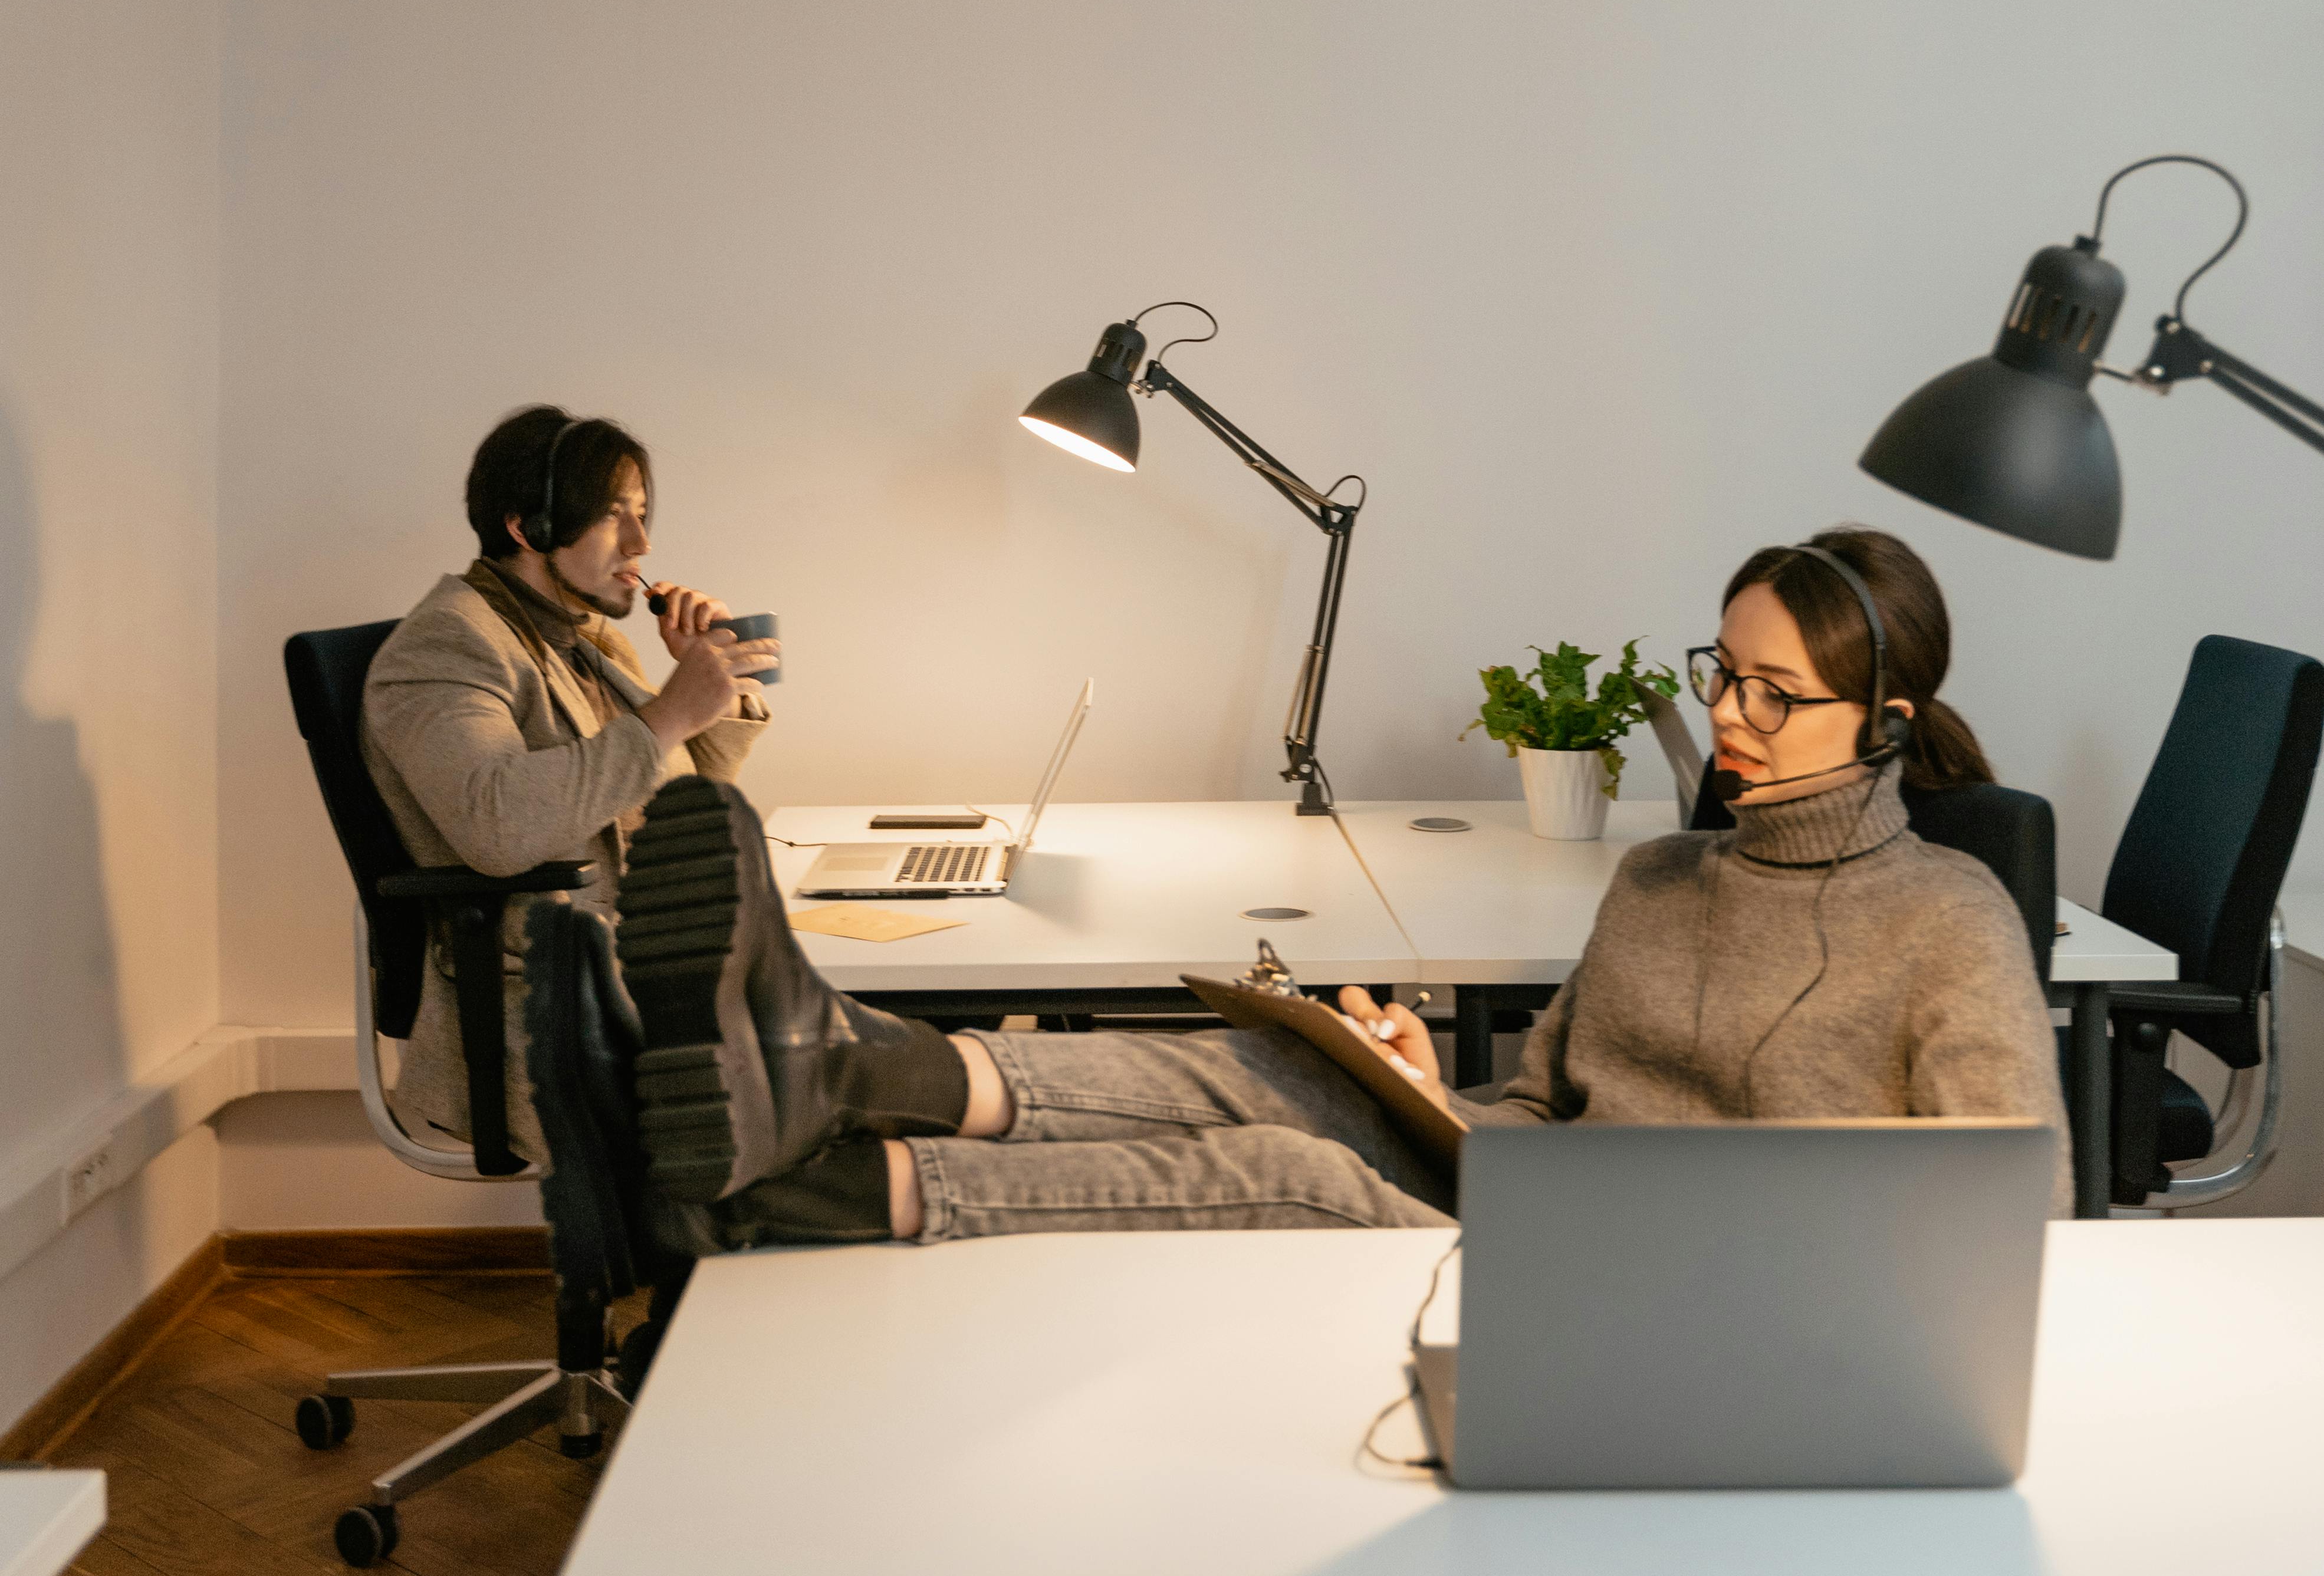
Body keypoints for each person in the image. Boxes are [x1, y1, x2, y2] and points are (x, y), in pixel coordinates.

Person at [583, 522, 2068, 1256]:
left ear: (1882, 721)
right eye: (1720, 675)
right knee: (1276, 1067)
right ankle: (836, 1065)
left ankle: (811, 1197)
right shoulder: (1665, 875)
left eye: (1775, 694)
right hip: (1544, 1207)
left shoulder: (1947, 923)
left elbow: (2019, 1215)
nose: (1730, 719)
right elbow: (1548, 1104)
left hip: (1676, 1299)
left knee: (1290, 1173)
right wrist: (1426, 1081)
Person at [364, 405, 778, 1157]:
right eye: (613, 517)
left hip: (655, 959)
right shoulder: (446, 643)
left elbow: (674, 790)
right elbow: (498, 827)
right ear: (526, 527)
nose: (642, 544)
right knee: (869, 1079)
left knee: (896, 1044)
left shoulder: (584, 634)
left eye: (643, 516)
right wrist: (663, 719)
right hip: (558, 1000)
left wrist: (711, 692)